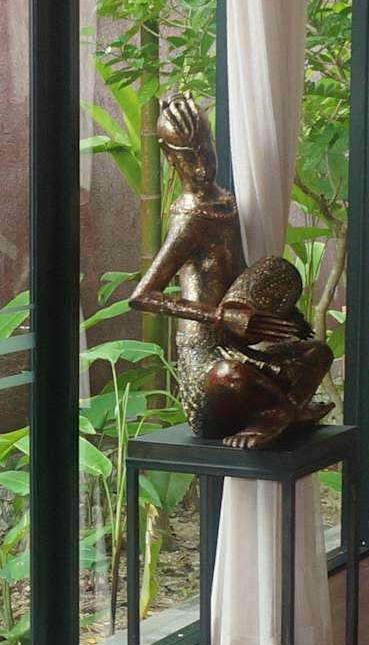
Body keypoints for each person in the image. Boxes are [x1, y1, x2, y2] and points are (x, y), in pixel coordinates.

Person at [126, 95, 334, 449]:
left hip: (239, 341)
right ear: (169, 157)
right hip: (205, 357)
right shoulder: (188, 219)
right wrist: (218, 316)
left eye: (205, 152)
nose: (202, 166)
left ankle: (280, 410)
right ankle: (282, 411)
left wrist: (286, 317)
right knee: (230, 376)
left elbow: (241, 276)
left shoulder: (226, 202)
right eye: (188, 157)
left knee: (318, 353)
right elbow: (142, 296)